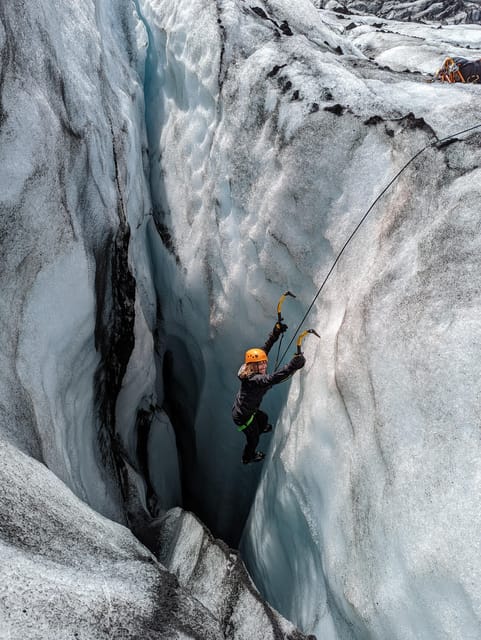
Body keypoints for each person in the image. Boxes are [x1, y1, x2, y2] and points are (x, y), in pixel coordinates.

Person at [232, 322, 306, 464]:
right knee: (254, 439)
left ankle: (259, 427)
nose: (265, 365)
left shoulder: (251, 368)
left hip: (249, 409)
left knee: (264, 418)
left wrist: (275, 334)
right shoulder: (254, 379)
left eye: (264, 362)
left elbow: (263, 350)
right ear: (253, 366)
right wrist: (292, 365)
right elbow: (271, 378)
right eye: (262, 364)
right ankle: (247, 457)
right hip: (243, 417)